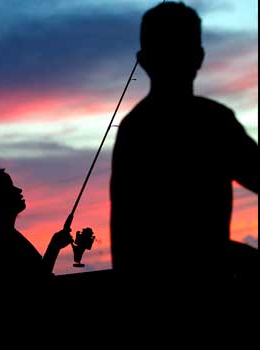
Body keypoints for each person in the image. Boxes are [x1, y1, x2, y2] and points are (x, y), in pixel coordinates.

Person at [109, 2, 258, 284]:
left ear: (143, 60)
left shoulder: (133, 129)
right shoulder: (216, 121)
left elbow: (124, 237)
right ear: (199, 57)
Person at [0, 168, 74, 293]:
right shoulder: (2, 238)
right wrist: (54, 246)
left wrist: (54, 245)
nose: (19, 190)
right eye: (10, 188)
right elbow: (37, 280)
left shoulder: (0, 235)